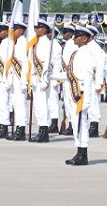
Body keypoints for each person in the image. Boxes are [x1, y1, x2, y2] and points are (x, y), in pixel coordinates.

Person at [65, 27, 97, 165]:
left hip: (81, 94)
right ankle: (79, 152)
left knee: (81, 123)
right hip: (76, 92)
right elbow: (72, 74)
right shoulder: (77, 53)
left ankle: (83, 154)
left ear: (84, 39)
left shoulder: (87, 54)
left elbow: (87, 77)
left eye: (77, 36)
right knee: (76, 123)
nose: (74, 38)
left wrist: (83, 95)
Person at [28, 20, 62, 143]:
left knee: (43, 105)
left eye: (38, 27)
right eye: (35, 27)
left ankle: (44, 131)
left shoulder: (47, 43)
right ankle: (41, 129)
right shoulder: (36, 43)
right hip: (35, 79)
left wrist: (44, 79)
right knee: (38, 105)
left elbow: (47, 63)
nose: (36, 29)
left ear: (44, 30)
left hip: (42, 79)